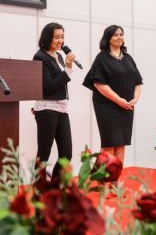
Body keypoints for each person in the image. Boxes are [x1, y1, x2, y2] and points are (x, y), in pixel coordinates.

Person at [82, 25, 143, 165]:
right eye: (115, 34)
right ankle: (104, 182)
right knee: (109, 143)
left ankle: (115, 181)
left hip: (126, 107)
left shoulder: (128, 58)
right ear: (108, 38)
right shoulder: (102, 58)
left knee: (121, 143)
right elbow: (99, 84)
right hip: (107, 106)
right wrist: (119, 100)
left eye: (121, 34)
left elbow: (138, 82)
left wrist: (135, 99)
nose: (119, 37)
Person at [33, 22, 76, 179]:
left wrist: (67, 69)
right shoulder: (40, 56)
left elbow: (59, 82)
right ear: (47, 37)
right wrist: (68, 69)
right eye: (56, 37)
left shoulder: (58, 56)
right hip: (47, 109)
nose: (60, 41)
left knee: (66, 154)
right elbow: (49, 87)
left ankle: (54, 188)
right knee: (43, 154)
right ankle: (38, 190)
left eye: (62, 37)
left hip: (61, 108)